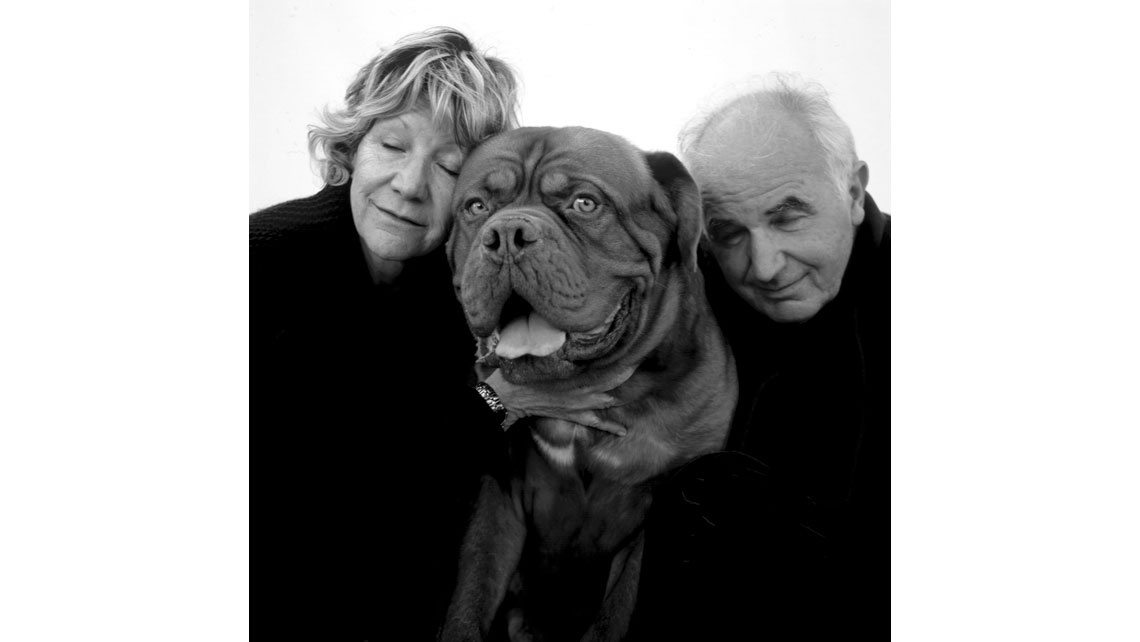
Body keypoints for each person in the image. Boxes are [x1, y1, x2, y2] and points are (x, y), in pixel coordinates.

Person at [249, 28, 623, 641]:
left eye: (449, 166)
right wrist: (502, 400)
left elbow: (459, 437)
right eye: (393, 144)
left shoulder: (457, 285)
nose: (409, 183)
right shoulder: (259, 263)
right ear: (352, 147)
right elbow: (364, 476)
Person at [632, 74, 889, 639]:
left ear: (851, 192)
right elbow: (513, 387)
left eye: (787, 216)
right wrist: (490, 402)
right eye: (728, 233)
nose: (764, 266)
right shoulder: (685, 286)